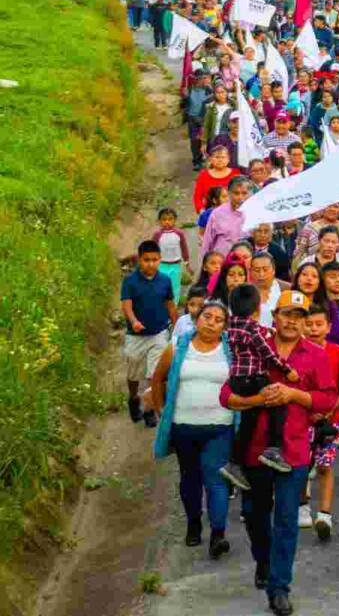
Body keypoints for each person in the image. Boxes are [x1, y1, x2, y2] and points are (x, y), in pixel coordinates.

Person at [219, 290, 338, 616]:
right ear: (275, 316)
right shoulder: (257, 345)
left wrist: (292, 394)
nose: (292, 321)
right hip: (255, 449)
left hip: (294, 450)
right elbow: (226, 393)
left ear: (305, 322)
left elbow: (327, 399)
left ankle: (280, 587)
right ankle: (265, 561)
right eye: (286, 314)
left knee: (286, 519)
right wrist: (255, 400)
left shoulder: (316, 355)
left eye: (299, 317)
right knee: (254, 514)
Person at [148, 300, 236, 558]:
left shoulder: (231, 349)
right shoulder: (178, 346)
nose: (211, 323)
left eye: (218, 320)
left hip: (220, 426)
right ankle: (194, 523)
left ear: (225, 327)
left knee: (216, 478)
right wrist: (161, 410)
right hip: (183, 426)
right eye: (207, 317)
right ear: (196, 319)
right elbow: (157, 378)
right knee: (190, 478)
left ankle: (218, 534)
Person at [220, 284, 300, 491]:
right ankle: (273, 449)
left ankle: (234, 462)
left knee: (249, 421)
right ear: (257, 309)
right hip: (254, 378)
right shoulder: (253, 329)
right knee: (278, 403)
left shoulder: (230, 326)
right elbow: (268, 355)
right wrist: (287, 371)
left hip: (237, 379)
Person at [300, 306, 339, 541]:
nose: (313, 329)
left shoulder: (338, 353)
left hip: (330, 421)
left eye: (319, 324)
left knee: (324, 466)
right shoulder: (296, 352)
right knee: (300, 465)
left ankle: (325, 514)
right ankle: (302, 506)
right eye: (308, 324)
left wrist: (330, 409)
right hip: (301, 420)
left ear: (329, 327)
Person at [121, 240, 178, 428]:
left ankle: (149, 408)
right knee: (134, 373)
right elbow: (126, 306)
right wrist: (134, 321)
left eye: (155, 260)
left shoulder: (165, 280)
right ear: (139, 260)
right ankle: (133, 398)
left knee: (154, 374)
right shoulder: (130, 282)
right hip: (135, 336)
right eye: (147, 260)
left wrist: (177, 325)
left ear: (160, 260)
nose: (151, 264)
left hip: (158, 334)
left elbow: (170, 305)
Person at [199, 175, 253, 258]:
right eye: (236, 193)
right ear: (229, 193)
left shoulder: (254, 213)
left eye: (244, 193)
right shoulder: (217, 214)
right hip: (222, 261)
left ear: (250, 194)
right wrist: (205, 261)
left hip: (245, 261)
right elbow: (207, 242)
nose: (240, 197)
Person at [153, 207, 190, 302]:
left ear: (175, 220)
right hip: (161, 265)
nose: (167, 222)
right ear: (159, 221)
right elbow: (153, 249)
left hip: (175, 265)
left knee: (175, 287)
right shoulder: (157, 235)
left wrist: (187, 263)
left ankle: (174, 305)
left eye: (170, 219)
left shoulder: (179, 234)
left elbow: (184, 248)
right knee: (161, 286)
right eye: (164, 219)